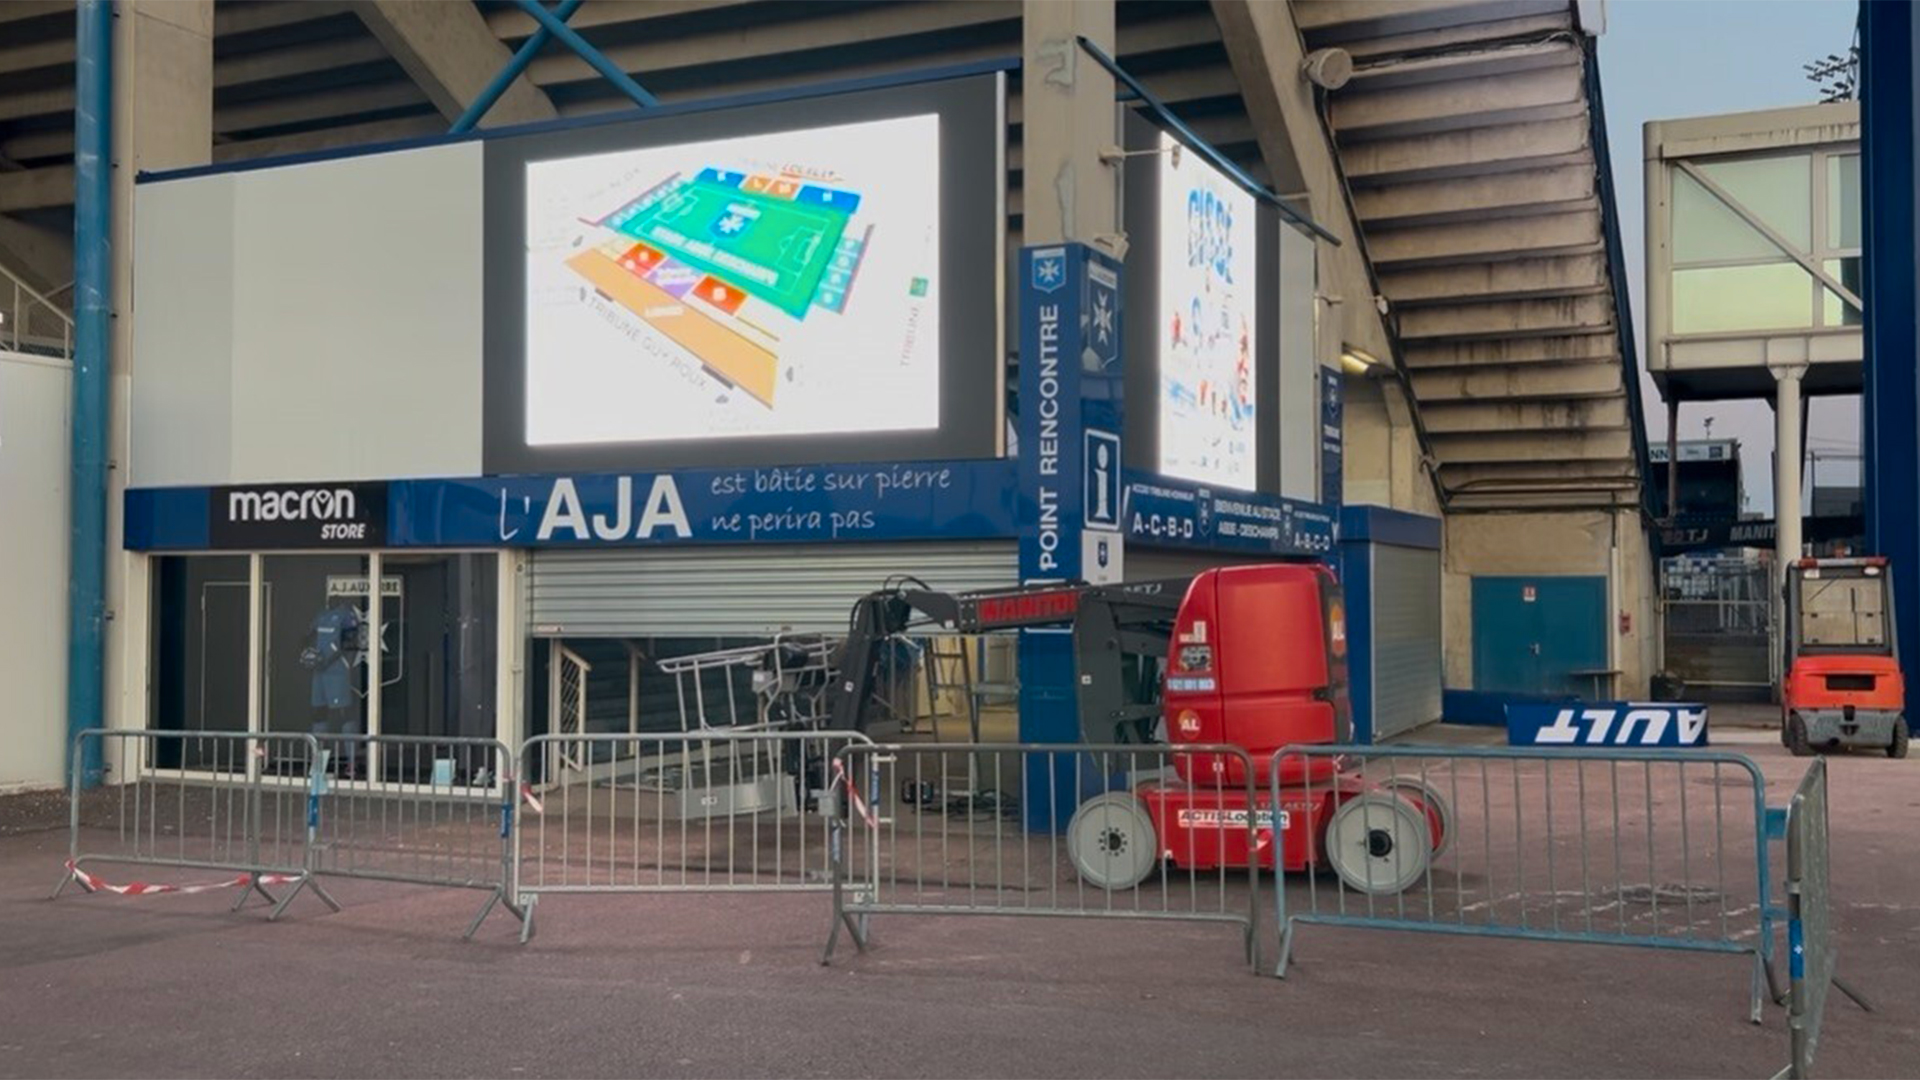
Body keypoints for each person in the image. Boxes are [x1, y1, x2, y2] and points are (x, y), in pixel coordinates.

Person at [300, 598, 363, 774]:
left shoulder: (347, 615)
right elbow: (308, 636)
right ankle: (318, 764)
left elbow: (350, 642)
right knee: (318, 715)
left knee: (345, 715)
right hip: (319, 672)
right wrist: (307, 652)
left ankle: (352, 762)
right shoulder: (321, 615)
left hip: (337, 672)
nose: (332, 599)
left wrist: (327, 660)